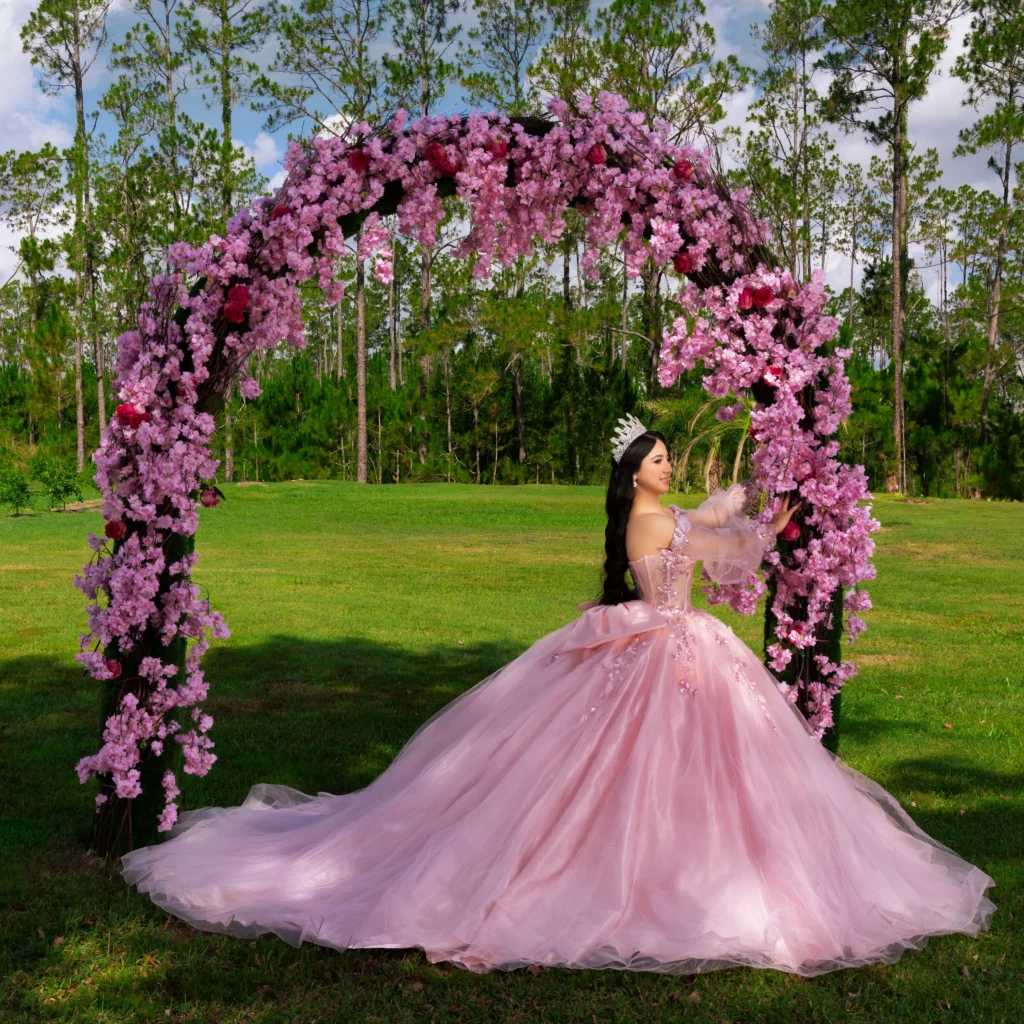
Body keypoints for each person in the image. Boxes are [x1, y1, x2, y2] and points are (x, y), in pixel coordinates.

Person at [121, 415, 996, 976]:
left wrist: (736, 513)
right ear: (635, 474)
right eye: (656, 456)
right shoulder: (654, 519)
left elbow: (714, 535)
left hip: (669, 642)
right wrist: (761, 522)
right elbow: (722, 545)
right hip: (668, 646)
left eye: (667, 454)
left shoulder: (657, 516)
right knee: (633, 773)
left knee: (682, 769)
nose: (666, 462)